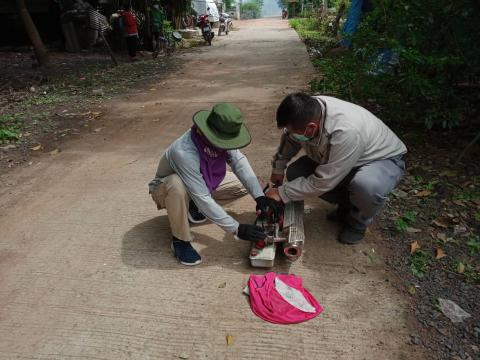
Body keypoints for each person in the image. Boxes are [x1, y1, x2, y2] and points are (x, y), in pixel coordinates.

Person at [266, 93, 407, 244]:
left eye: (296, 132)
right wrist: (278, 168)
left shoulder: (345, 131)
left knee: (366, 187)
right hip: (344, 156)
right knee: (296, 172)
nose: (293, 135)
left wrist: (281, 193)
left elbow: (323, 182)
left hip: (380, 159)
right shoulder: (306, 111)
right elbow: (290, 139)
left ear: (311, 127)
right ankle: (347, 205)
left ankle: (358, 222)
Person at [148, 103, 278, 266]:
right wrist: (236, 229)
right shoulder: (183, 152)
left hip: (198, 183)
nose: (227, 146)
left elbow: (239, 162)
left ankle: (192, 207)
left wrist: (260, 197)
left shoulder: (222, 137)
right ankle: (180, 240)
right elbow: (202, 196)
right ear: (203, 131)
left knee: (245, 184)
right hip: (165, 189)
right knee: (177, 185)